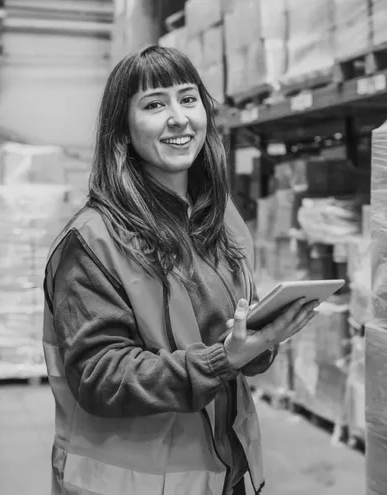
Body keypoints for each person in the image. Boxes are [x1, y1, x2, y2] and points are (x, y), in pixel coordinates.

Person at [42, 45, 319, 495]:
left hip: (223, 471)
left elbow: (232, 331)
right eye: (154, 105)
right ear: (123, 130)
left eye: (188, 99)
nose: (178, 117)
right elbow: (99, 375)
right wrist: (223, 358)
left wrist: (264, 337)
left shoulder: (219, 217)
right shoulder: (92, 240)